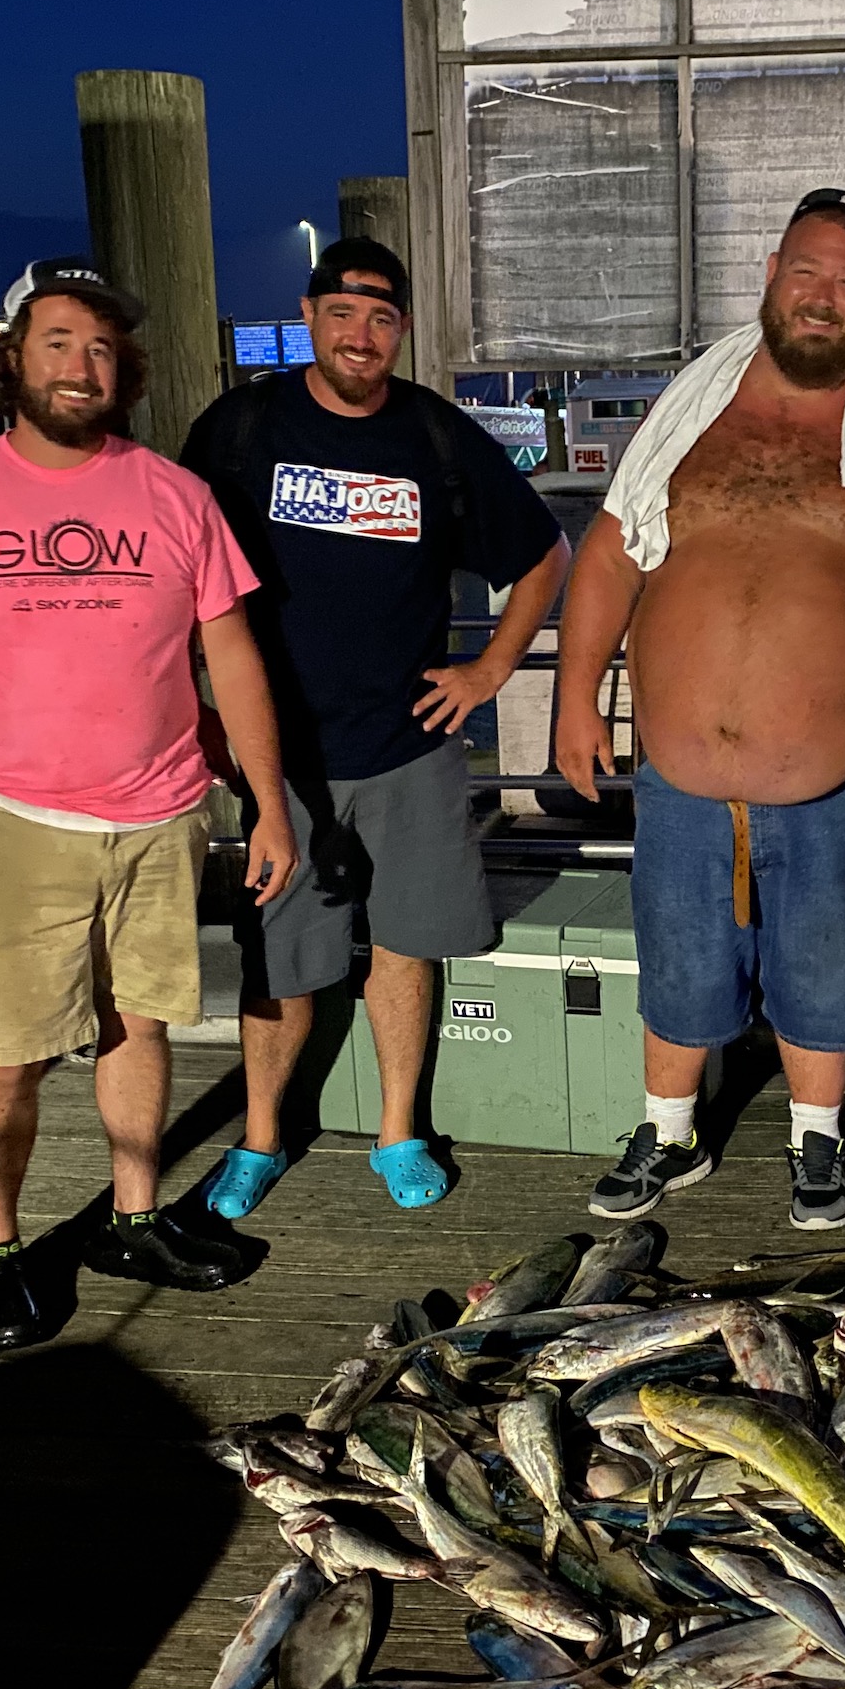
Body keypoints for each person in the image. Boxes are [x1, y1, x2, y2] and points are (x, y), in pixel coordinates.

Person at [0, 256, 299, 1355]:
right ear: (13, 356)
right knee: (7, 1054)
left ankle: (132, 1219)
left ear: (127, 369)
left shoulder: (175, 495)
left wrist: (268, 803)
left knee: (140, 1023)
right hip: (20, 824)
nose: (82, 364)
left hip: (164, 814)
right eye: (58, 340)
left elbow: (232, 658)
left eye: (102, 347)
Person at [556, 189, 845, 1229]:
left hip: (835, 768)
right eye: (807, 271)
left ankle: (817, 1136)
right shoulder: (691, 408)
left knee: (826, 965)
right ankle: (669, 1131)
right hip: (678, 767)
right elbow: (613, 552)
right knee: (675, 956)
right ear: (770, 273)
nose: (823, 296)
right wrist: (575, 698)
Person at [181, 237, 571, 1214]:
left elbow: (545, 554)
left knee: (406, 944)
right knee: (279, 958)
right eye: (343, 312)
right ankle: (260, 1138)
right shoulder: (240, 429)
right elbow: (176, 577)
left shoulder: (435, 435)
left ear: (402, 330)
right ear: (309, 316)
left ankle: (400, 1130)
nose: (361, 334)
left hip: (411, 747)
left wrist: (490, 668)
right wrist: (196, 713)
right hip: (280, 758)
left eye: (382, 317)